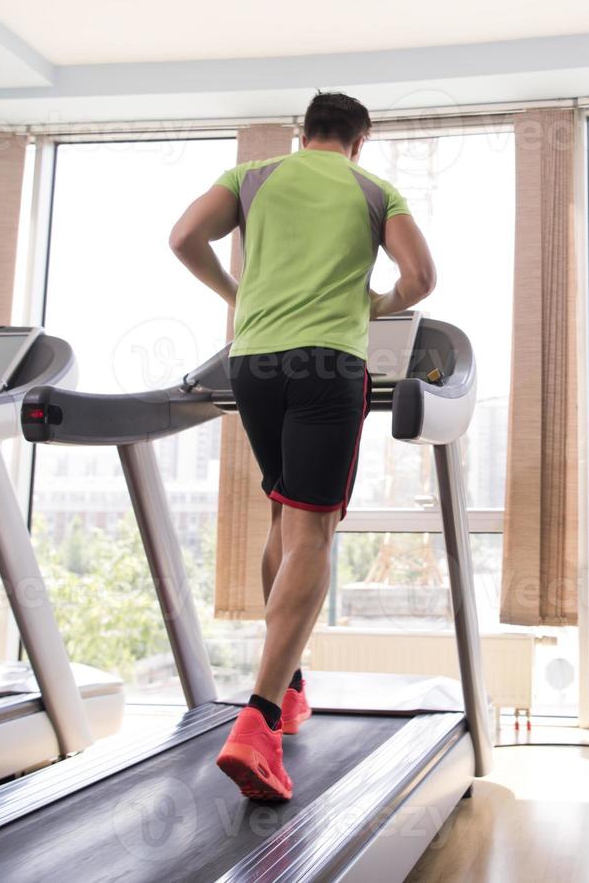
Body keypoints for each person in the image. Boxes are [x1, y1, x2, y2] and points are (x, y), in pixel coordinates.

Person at [169, 91, 436, 801]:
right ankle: (257, 719)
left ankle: (286, 690)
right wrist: (370, 306)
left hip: (252, 361)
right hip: (327, 362)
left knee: (282, 517)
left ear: (303, 132)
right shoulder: (375, 189)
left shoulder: (251, 177)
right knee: (313, 528)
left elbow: (181, 238)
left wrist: (238, 291)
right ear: (358, 141)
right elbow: (420, 278)